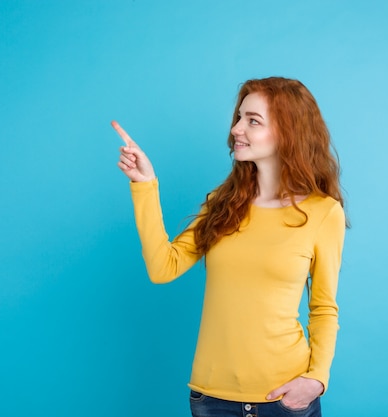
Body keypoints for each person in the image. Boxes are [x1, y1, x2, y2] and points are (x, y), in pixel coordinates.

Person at [112, 76, 346, 417]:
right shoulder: (223, 203)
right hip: (212, 399)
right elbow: (164, 268)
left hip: (285, 398)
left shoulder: (324, 212)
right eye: (239, 118)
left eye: (253, 121)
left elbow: (323, 308)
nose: (237, 129)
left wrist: (317, 379)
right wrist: (145, 185)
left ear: (288, 131)